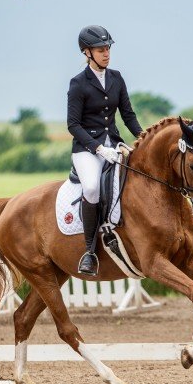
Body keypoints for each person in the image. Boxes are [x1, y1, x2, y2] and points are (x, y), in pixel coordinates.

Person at [67, 25, 143, 276]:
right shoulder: (78, 83)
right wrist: (98, 148)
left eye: (108, 48)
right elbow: (73, 125)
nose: (106, 53)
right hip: (86, 149)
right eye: (101, 49)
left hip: (114, 143)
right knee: (91, 187)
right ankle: (89, 251)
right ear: (87, 52)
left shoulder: (117, 78)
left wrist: (144, 139)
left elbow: (128, 115)